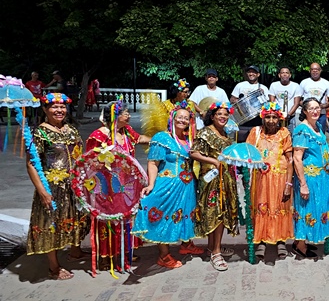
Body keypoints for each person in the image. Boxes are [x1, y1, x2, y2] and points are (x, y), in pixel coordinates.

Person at [133, 102, 204, 269]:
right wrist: (151, 184)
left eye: (186, 118)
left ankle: (186, 245)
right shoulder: (162, 138)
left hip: (187, 186)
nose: (182, 120)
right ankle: (164, 256)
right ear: (172, 118)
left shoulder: (188, 139)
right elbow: (152, 163)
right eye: (179, 117)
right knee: (164, 215)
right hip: (168, 185)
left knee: (187, 214)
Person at [26, 93, 89, 280]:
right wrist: (42, 191)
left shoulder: (71, 130)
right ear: (45, 109)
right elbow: (31, 164)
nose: (59, 110)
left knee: (75, 218)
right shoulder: (40, 133)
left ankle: (75, 251)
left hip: (73, 185)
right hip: (52, 187)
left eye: (62, 107)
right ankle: (53, 267)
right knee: (52, 224)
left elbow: (80, 154)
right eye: (54, 106)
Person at [85, 99, 151, 270]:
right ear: (114, 114)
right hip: (106, 187)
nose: (128, 115)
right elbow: (89, 163)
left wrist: (159, 139)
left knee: (127, 216)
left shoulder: (126, 131)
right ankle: (106, 255)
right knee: (107, 220)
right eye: (125, 113)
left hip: (126, 185)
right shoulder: (99, 136)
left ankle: (124, 250)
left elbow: (140, 138)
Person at [190, 101, 239, 271]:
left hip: (226, 179)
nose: (223, 117)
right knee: (214, 213)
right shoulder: (205, 133)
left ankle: (213, 247)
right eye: (219, 114)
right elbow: (194, 153)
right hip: (211, 181)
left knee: (223, 212)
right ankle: (216, 252)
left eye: (226, 114)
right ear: (212, 116)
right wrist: (213, 161)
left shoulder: (227, 135)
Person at [246, 102, 294, 261]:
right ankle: (261, 241)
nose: (271, 120)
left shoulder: (284, 133)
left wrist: (288, 184)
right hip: (260, 179)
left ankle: (281, 241)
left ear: (279, 119)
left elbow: (290, 160)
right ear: (263, 118)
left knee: (279, 207)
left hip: (280, 179)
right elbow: (247, 154)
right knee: (262, 207)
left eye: (274, 117)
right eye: (268, 117)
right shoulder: (255, 132)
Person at [291, 97, 329, 258]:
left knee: (317, 209)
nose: (315, 111)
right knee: (305, 208)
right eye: (311, 109)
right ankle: (300, 245)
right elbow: (297, 158)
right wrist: (303, 184)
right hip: (309, 177)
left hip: (321, 177)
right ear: (304, 111)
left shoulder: (318, 127)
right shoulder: (302, 130)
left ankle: (303, 241)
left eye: (317, 108)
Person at [231, 65, 270, 140]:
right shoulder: (240, 85)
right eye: (249, 72)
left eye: (253, 72)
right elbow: (232, 99)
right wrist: (238, 101)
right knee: (241, 139)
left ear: (258, 74)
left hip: (257, 120)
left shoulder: (263, 87)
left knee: (255, 140)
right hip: (242, 120)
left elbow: (267, 104)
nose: (251, 74)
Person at [298, 63, 329, 133]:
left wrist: (322, 106)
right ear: (309, 71)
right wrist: (307, 106)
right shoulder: (304, 82)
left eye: (317, 69)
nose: (315, 71)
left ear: (320, 71)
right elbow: (299, 100)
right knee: (306, 133)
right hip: (307, 114)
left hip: (321, 114)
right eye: (312, 69)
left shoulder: (327, 83)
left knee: (320, 133)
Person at [268, 66, 303, 134]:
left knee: (290, 136)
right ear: (279, 75)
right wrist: (278, 114)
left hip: (290, 117)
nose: (284, 74)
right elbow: (272, 101)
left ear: (290, 75)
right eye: (282, 73)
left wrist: (288, 115)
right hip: (277, 116)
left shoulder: (296, 86)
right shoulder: (274, 85)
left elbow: (297, 103)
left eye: (287, 73)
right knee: (276, 135)